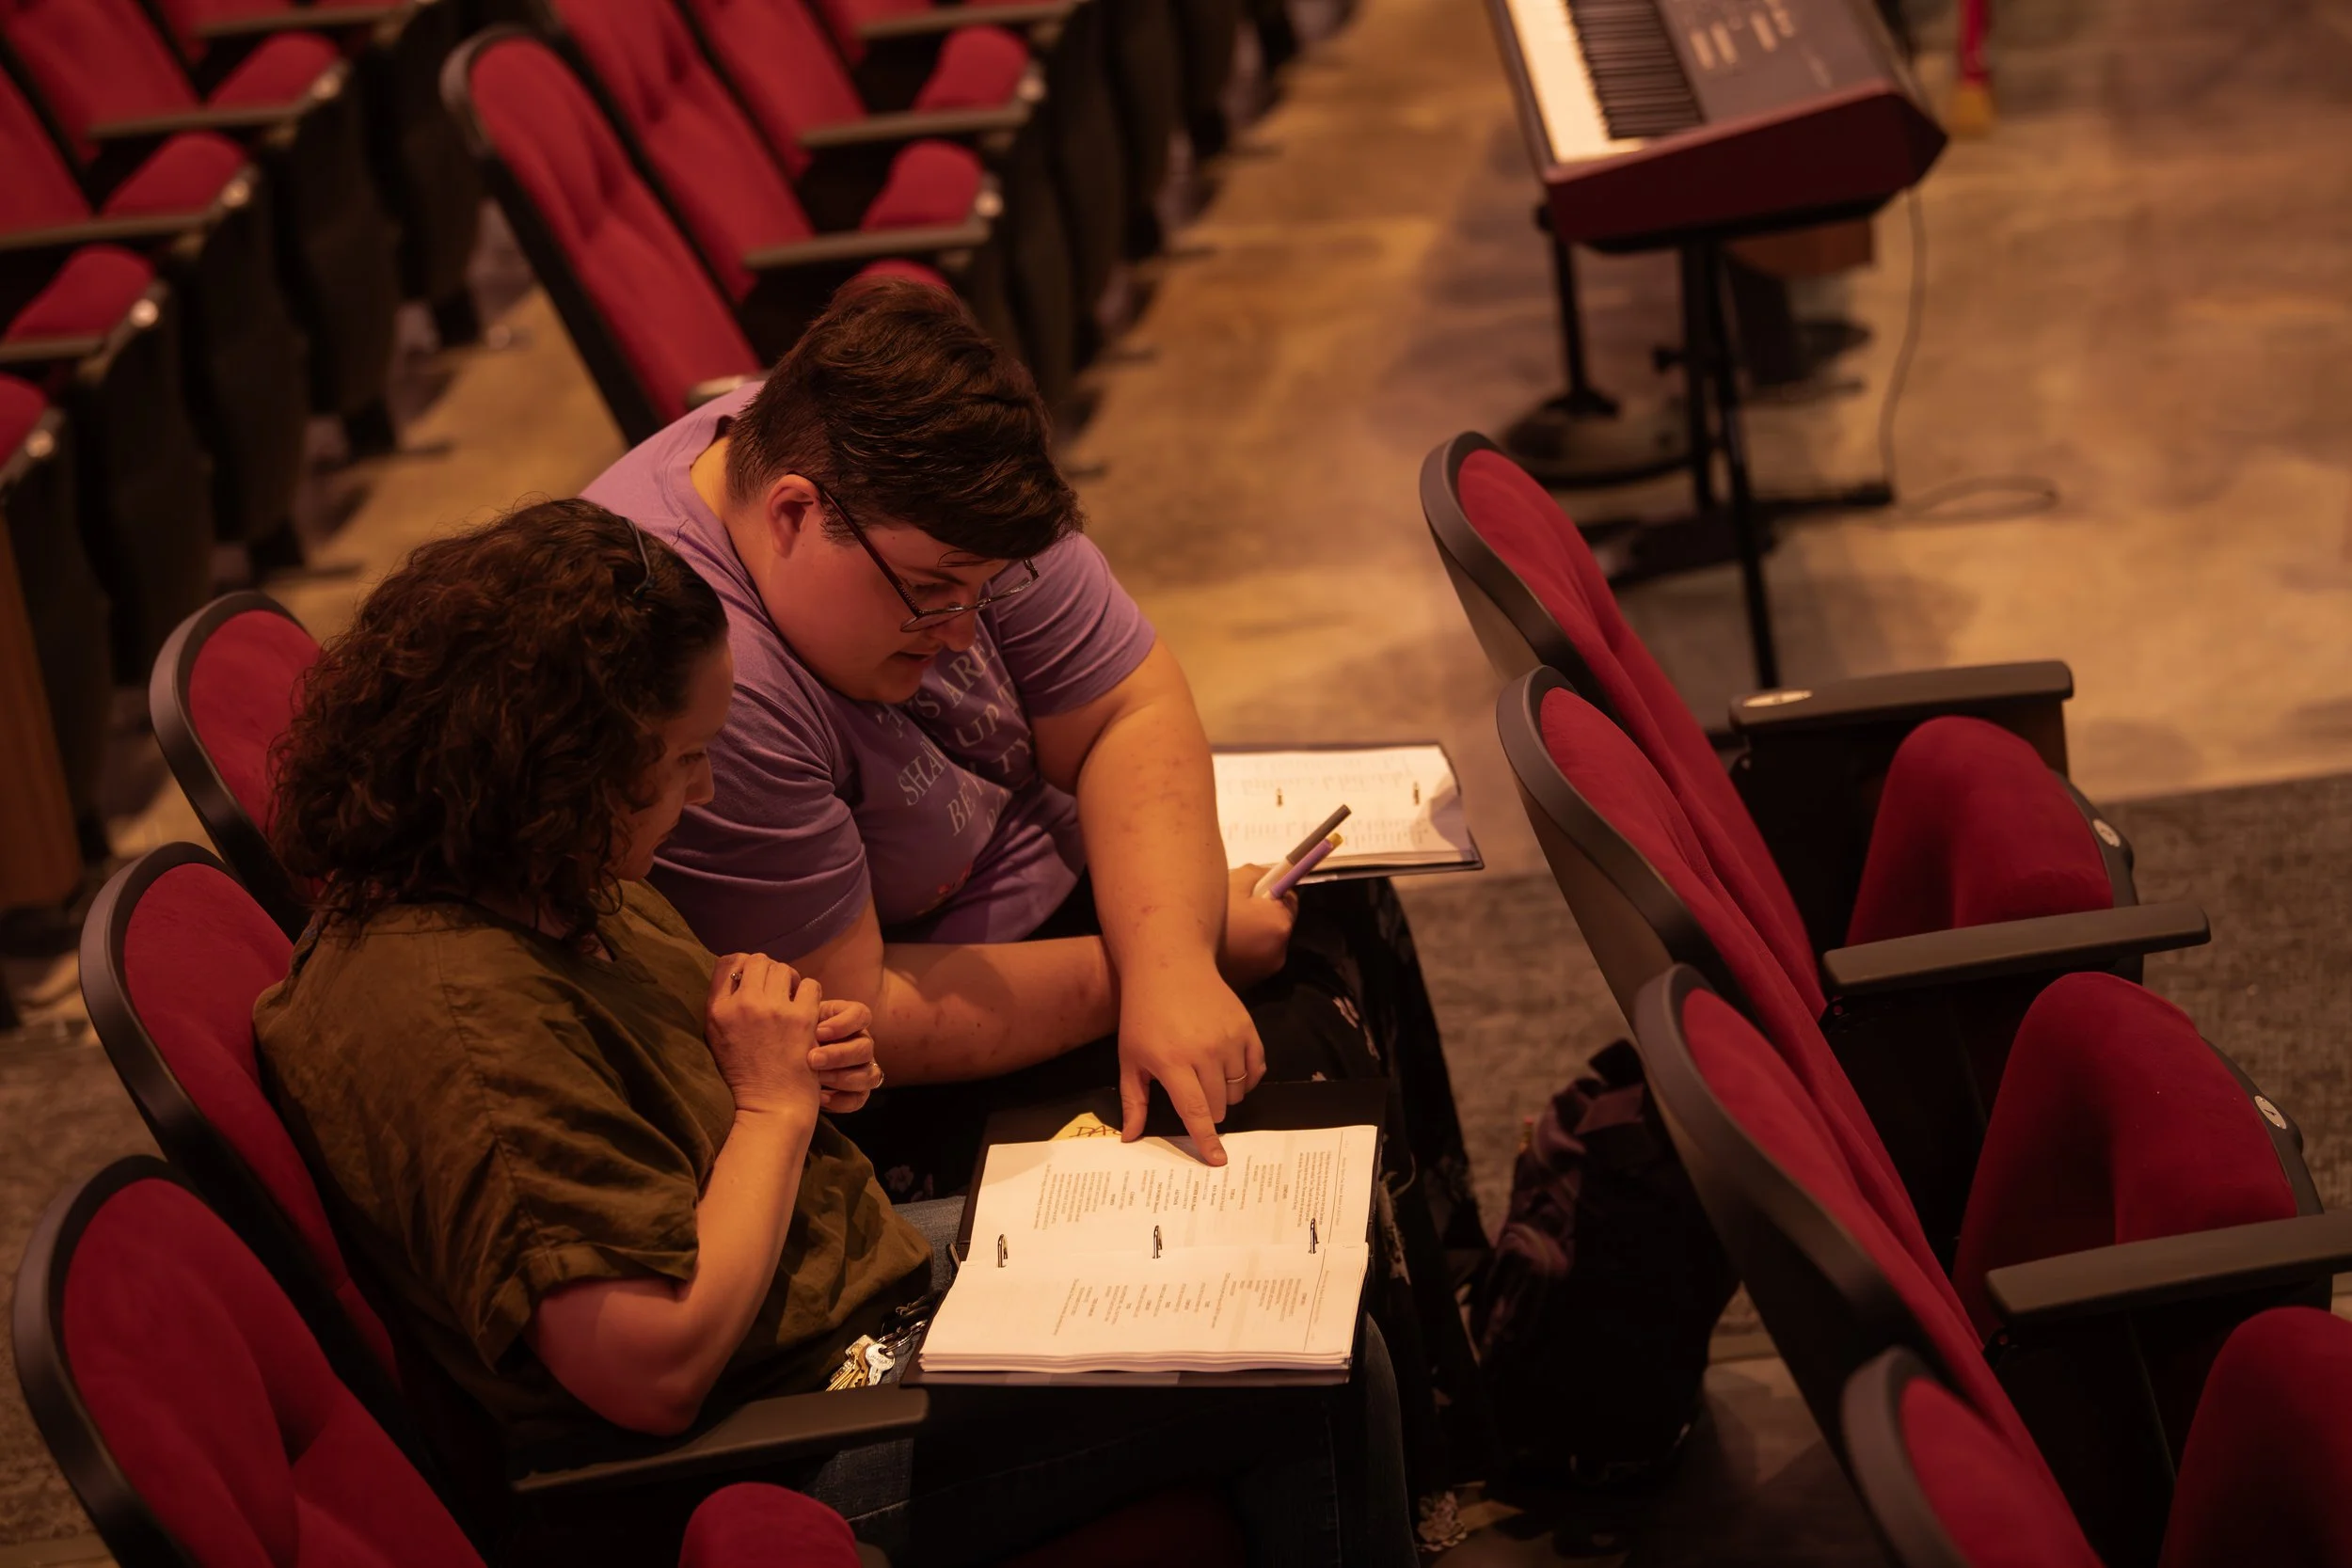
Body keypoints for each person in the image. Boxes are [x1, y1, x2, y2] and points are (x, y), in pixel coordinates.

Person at [254, 499, 1416, 1567]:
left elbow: (669, 1111)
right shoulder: (462, 1023)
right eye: (679, 761)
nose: (702, 791)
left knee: (1298, 1235)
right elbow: (649, 1369)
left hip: (846, 1294)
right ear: (557, 770)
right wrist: (770, 1106)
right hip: (773, 1438)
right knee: (1302, 1366)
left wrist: (791, 1061)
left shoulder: (537, 873)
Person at [578, 287, 1489, 1523]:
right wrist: (1163, 960)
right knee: (1288, 1064)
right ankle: (1408, 1462)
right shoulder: (705, 677)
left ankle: (1452, 1399)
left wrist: (1173, 972)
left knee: (1338, 923)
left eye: (985, 594)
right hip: (884, 1066)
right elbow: (861, 1014)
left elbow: (1130, 704)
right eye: (936, 596)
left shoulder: (916, 485)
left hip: (1024, 911)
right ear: (792, 516)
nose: (963, 634)